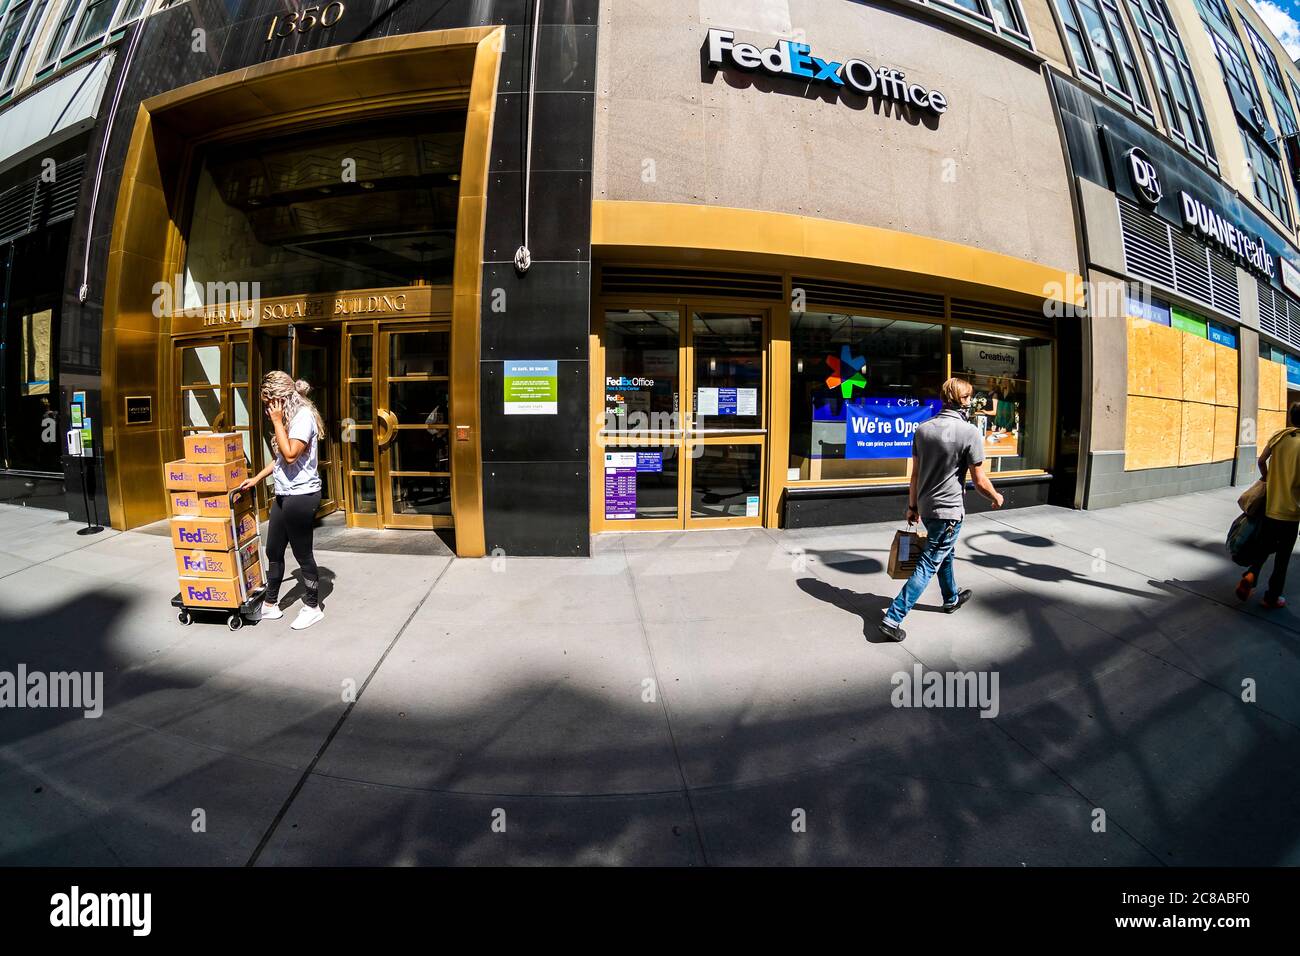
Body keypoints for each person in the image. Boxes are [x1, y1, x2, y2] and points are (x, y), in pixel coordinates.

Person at [878, 377, 1005, 642]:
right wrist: (996, 496)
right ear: (962, 400)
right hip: (948, 510)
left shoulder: (923, 429)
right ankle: (893, 617)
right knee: (928, 563)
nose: (971, 402)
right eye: (969, 397)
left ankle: (951, 598)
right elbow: (980, 480)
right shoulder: (969, 432)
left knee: (943, 551)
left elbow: (914, 476)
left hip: (926, 506)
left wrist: (912, 506)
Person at [239, 371, 325, 629]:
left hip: (302, 496)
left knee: (302, 553)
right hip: (284, 494)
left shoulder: (303, 418)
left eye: (270, 403)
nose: (268, 409)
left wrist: (277, 421)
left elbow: (289, 455)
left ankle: (312, 606)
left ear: (282, 399)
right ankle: (270, 605)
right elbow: (279, 462)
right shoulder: (288, 418)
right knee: (273, 550)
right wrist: (256, 479)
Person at [1236, 403, 1300, 608]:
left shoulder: (1278, 437)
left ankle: (1250, 575)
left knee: (1263, 549)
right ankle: (1271, 598)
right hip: (1291, 513)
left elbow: (1262, 460)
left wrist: (1268, 477)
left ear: (1290, 417)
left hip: (1271, 508)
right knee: (1282, 559)